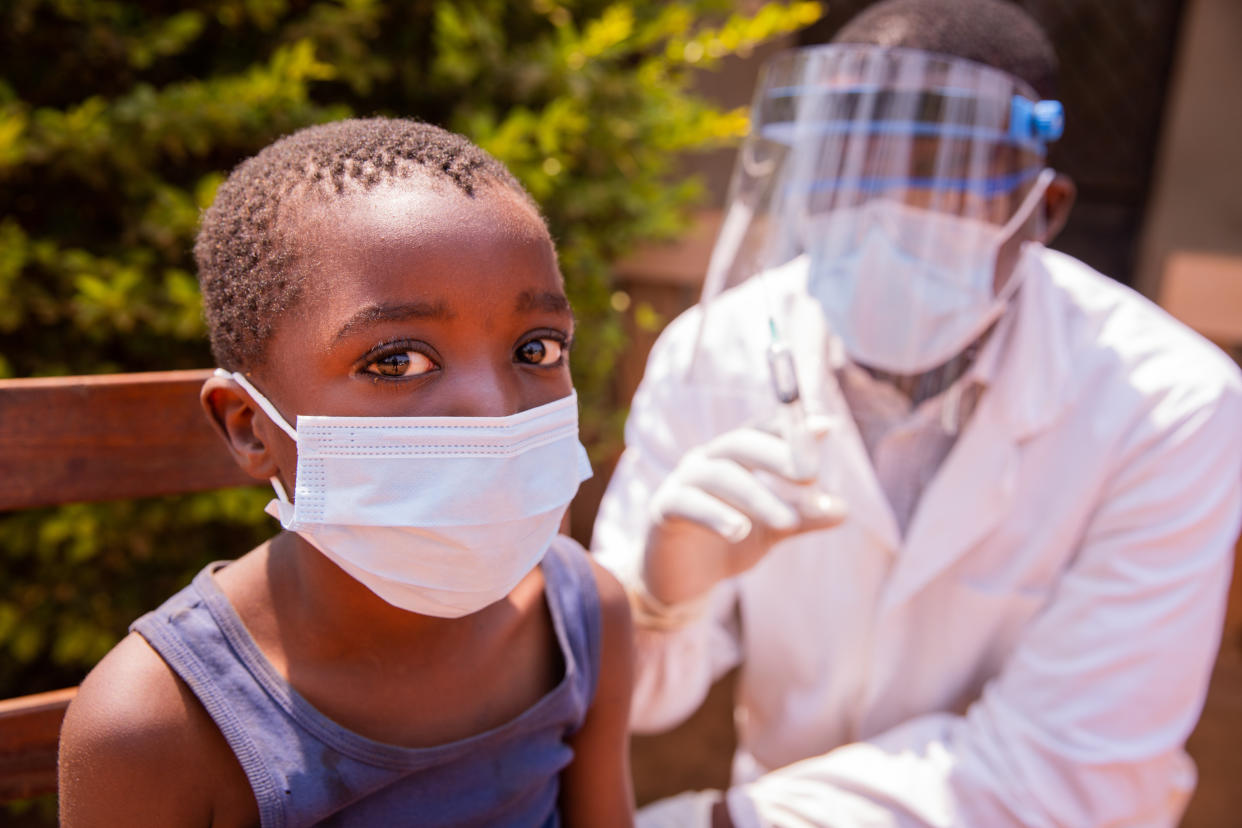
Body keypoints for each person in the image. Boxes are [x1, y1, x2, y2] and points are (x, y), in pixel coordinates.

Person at [592, 1, 1242, 826]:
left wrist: (715, 823)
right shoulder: (716, 352)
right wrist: (655, 599)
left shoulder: (1169, 404)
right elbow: (637, 699)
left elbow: (1063, 772)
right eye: (844, 171)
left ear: (1042, 212)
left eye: (936, 176)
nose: (877, 215)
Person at [57, 118, 635, 827]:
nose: (493, 409)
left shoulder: (583, 617)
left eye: (537, 348)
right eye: (397, 361)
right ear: (250, 426)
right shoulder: (156, 723)